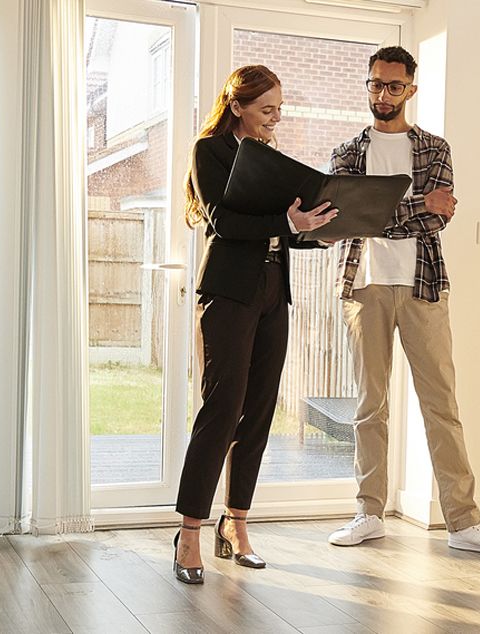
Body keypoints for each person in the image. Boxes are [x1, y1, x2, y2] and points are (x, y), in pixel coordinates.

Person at [323, 46, 480, 561]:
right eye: (375, 84)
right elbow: (349, 220)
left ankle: (464, 521)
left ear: (411, 89)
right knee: (369, 406)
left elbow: (439, 216)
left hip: (423, 286)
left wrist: (380, 210)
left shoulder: (434, 148)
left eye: (393, 85)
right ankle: (369, 512)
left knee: (442, 406)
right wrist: (408, 206)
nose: (382, 94)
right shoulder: (348, 151)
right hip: (363, 286)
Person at [171, 64, 336, 585]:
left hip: (272, 292)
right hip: (228, 292)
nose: (275, 119)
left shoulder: (269, 158)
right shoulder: (210, 151)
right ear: (237, 105)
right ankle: (190, 532)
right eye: (267, 110)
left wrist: (315, 233)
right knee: (222, 410)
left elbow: (281, 226)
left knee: (260, 412)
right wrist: (287, 224)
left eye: (279, 110)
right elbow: (223, 221)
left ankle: (236, 525)